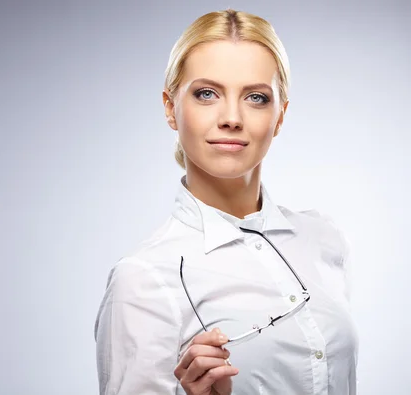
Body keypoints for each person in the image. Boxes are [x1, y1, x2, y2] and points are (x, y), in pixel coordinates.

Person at [93, 8, 359, 395]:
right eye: (206, 94)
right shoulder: (144, 279)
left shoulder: (323, 240)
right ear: (170, 107)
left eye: (256, 97)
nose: (231, 117)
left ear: (280, 115)